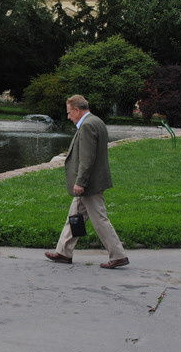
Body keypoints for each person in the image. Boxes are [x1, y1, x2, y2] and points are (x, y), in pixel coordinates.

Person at [45, 95, 129, 269]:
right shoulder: (96, 121)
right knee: (74, 217)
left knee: (99, 219)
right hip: (92, 181)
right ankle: (63, 252)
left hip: (89, 184)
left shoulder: (87, 125)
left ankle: (118, 255)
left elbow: (87, 158)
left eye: (69, 113)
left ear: (77, 110)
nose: (68, 117)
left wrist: (80, 182)